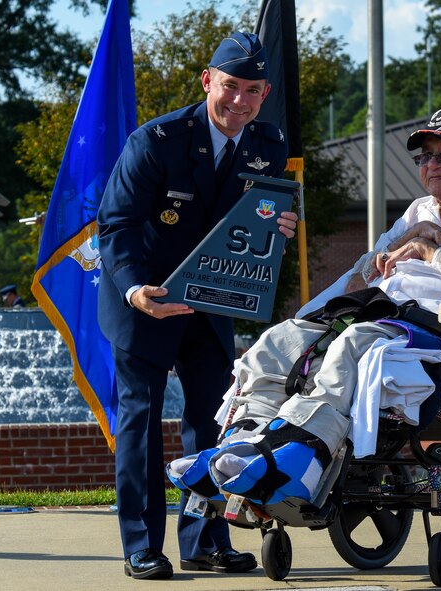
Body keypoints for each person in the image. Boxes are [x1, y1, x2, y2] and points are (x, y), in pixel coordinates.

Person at [169, 107, 441, 509]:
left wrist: (430, 254)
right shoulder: (418, 211)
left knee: (355, 342)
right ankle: (241, 448)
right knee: (279, 341)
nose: (432, 165)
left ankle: (304, 455)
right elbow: (362, 278)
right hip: (383, 311)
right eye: (424, 157)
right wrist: (407, 237)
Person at [97, 32, 298, 580]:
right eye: (230, 86)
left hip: (210, 305)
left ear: (265, 92)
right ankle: (141, 545)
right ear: (208, 81)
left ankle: (206, 540)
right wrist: (136, 290)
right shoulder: (156, 142)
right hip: (145, 300)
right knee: (140, 426)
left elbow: (253, 224)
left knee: (213, 425)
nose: (240, 101)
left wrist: (280, 227)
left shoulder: (268, 143)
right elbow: (114, 226)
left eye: (253, 91)